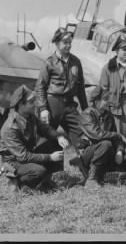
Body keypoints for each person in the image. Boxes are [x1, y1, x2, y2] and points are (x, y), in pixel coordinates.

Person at [94, 33, 126, 178]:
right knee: (119, 136)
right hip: (115, 106)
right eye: (124, 49)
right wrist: (107, 106)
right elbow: (103, 89)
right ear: (116, 51)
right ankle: (118, 167)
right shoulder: (108, 68)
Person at [0, 85, 69, 191]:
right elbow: (23, 157)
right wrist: (50, 157)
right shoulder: (10, 128)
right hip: (14, 162)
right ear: (21, 105)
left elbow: (46, 129)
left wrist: (59, 137)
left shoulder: (30, 116)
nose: (35, 104)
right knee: (39, 171)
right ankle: (17, 183)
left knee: (54, 143)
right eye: (31, 102)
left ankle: (45, 180)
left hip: (27, 154)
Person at [35, 27, 88, 155]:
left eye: (70, 42)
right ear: (57, 43)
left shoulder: (76, 62)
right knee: (46, 136)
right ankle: (46, 171)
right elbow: (40, 87)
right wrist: (43, 109)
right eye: (65, 42)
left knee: (81, 136)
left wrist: (86, 109)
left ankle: (89, 172)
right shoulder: (49, 63)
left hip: (70, 105)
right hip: (53, 104)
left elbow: (80, 87)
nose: (68, 45)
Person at [71, 89, 126, 188]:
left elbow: (116, 139)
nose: (109, 102)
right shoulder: (86, 114)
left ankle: (111, 175)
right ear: (96, 101)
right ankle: (91, 179)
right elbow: (97, 135)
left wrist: (119, 151)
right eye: (105, 99)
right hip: (88, 153)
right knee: (106, 144)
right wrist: (116, 134)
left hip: (105, 152)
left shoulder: (108, 115)